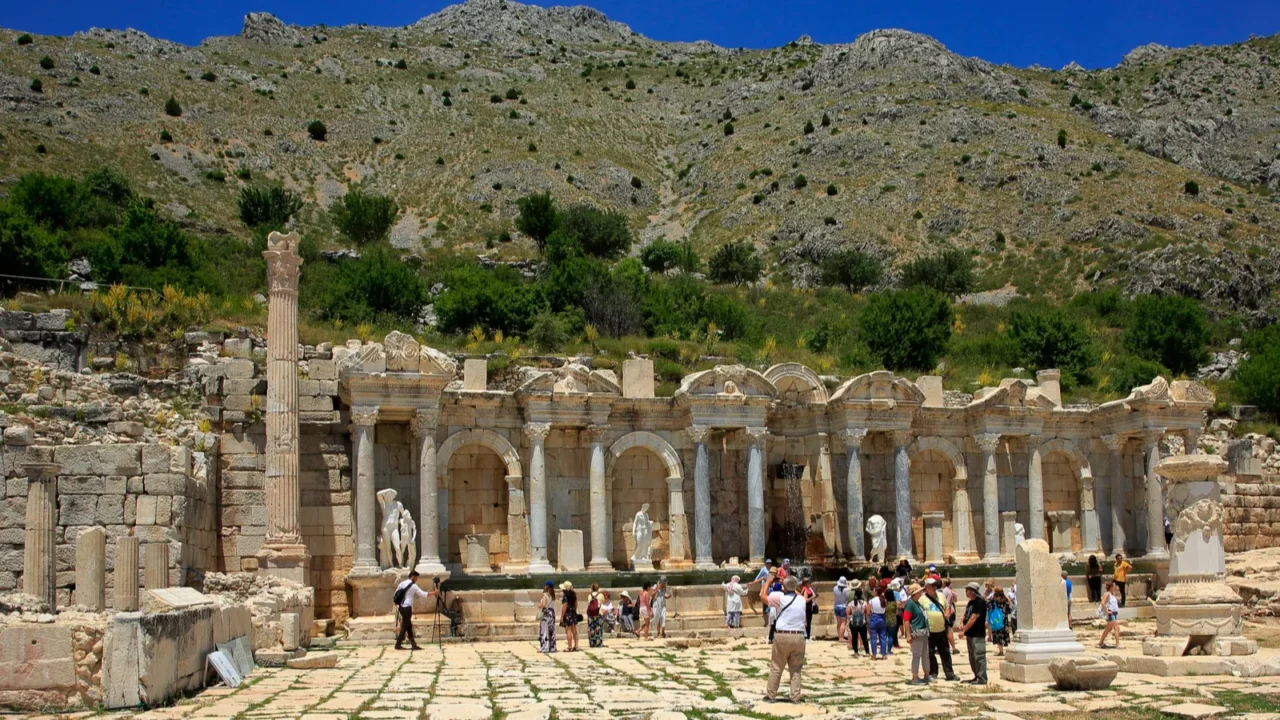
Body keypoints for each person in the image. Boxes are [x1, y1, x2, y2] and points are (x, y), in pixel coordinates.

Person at [762, 576, 808, 703]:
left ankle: (771, 695)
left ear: (784, 587)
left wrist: (768, 582)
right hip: (799, 636)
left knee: (777, 666)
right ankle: (795, 696)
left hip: (783, 635)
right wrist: (790, 584)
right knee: (796, 669)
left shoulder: (779, 598)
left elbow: (763, 597)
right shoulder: (802, 600)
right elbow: (797, 593)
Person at [922, 580, 958, 682]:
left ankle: (949, 674)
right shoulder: (922, 599)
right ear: (926, 588)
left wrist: (947, 613)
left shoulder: (941, 596)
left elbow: (947, 607)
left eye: (935, 585)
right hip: (929, 631)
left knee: (945, 652)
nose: (934, 587)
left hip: (941, 629)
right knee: (930, 653)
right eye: (931, 586)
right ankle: (933, 672)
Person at [393, 571, 434, 651]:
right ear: (413, 576)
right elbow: (423, 594)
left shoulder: (402, 583)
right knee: (405, 626)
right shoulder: (414, 586)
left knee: (408, 626)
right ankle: (398, 644)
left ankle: (413, 645)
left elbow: (395, 594)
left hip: (401, 607)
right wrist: (434, 593)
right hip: (408, 607)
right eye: (416, 577)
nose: (417, 579)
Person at [958, 582, 988, 685]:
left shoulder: (980, 602)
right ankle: (976, 676)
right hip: (970, 634)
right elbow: (966, 615)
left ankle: (982, 678)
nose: (966, 592)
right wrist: (962, 623)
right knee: (972, 656)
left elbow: (974, 618)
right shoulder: (971, 603)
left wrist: (964, 630)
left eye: (967, 590)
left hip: (977, 634)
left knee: (979, 656)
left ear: (972, 591)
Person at [903, 584, 930, 685]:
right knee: (917, 656)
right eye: (920, 591)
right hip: (916, 633)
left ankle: (926, 675)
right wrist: (908, 634)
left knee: (925, 655)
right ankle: (915, 677)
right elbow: (906, 619)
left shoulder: (917, 603)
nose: (921, 592)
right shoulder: (910, 604)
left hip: (923, 632)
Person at [988, 587, 1012, 656]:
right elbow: (1009, 611)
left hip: (997, 620)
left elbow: (988, 607)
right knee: (1003, 634)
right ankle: (1003, 650)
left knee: (998, 635)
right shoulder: (1006, 600)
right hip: (1004, 621)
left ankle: (1001, 651)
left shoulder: (994, 600)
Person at [868, 586, 891, 660]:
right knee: (883, 637)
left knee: (873, 638)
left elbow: (868, 612)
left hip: (874, 618)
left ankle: (874, 655)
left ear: (875, 592)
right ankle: (884, 654)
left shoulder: (871, 601)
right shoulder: (884, 600)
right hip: (882, 618)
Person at [1099, 580, 1122, 648]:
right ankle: (1117, 644)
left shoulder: (1113, 594)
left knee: (1108, 629)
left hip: (1114, 613)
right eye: (1114, 586)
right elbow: (1103, 603)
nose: (1115, 587)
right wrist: (1107, 611)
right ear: (1111, 587)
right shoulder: (1107, 594)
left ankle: (1100, 642)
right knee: (1116, 627)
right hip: (1111, 613)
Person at [848, 586, 870, 656]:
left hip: (853, 622)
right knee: (864, 637)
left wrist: (853, 613)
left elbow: (848, 612)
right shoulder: (864, 603)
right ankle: (867, 652)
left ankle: (856, 652)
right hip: (862, 622)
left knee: (854, 637)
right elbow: (867, 612)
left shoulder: (851, 603)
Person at [538, 580, 558, 653]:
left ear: (547, 586)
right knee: (551, 631)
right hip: (551, 613)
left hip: (546, 613)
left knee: (544, 630)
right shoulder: (553, 595)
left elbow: (543, 604)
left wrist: (539, 606)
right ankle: (552, 647)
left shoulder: (545, 595)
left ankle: (544, 647)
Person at [941, 578, 960, 654]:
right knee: (949, 629)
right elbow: (955, 600)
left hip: (947, 610)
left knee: (947, 630)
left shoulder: (944, 591)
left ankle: (951, 647)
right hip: (952, 610)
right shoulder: (951, 591)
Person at [560, 581, 580, 651]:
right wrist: (574, 610)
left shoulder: (565, 596)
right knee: (574, 630)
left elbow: (564, 606)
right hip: (573, 613)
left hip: (567, 614)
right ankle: (576, 646)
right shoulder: (574, 594)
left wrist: (562, 616)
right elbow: (576, 604)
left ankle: (569, 646)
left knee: (568, 630)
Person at [586, 583, 606, 648]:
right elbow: (604, 602)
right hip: (598, 613)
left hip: (591, 614)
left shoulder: (589, 595)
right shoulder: (600, 595)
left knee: (591, 628)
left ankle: (592, 643)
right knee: (598, 628)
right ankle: (598, 643)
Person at [833, 577, 850, 643]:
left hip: (836, 606)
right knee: (843, 623)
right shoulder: (847, 589)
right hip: (843, 606)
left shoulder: (835, 588)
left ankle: (839, 636)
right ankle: (841, 637)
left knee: (839, 622)